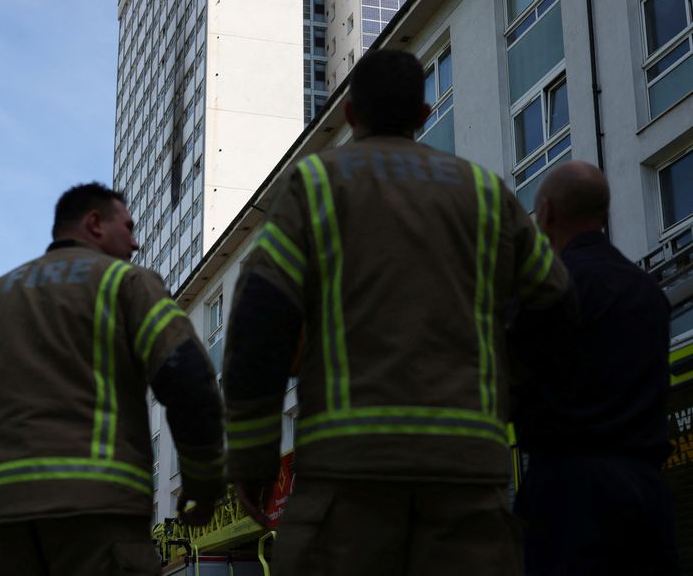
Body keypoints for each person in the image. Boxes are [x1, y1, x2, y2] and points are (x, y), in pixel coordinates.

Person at [222, 49, 572, 576]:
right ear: (424, 115)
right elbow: (556, 304)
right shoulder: (483, 192)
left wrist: (252, 461)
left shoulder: (316, 184)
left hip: (349, 478)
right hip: (467, 478)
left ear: (350, 115)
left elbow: (259, 326)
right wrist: (511, 391)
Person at [0, 182, 225, 576]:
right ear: (95, 223)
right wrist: (203, 484)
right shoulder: (128, 284)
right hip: (97, 521)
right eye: (128, 228)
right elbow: (189, 381)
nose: (135, 244)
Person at [512, 160, 679, 575]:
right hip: (648, 497)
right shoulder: (649, 293)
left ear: (547, 213)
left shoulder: (544, 292)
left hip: (568, 498)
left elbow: (514, 382)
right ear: (603, 215)